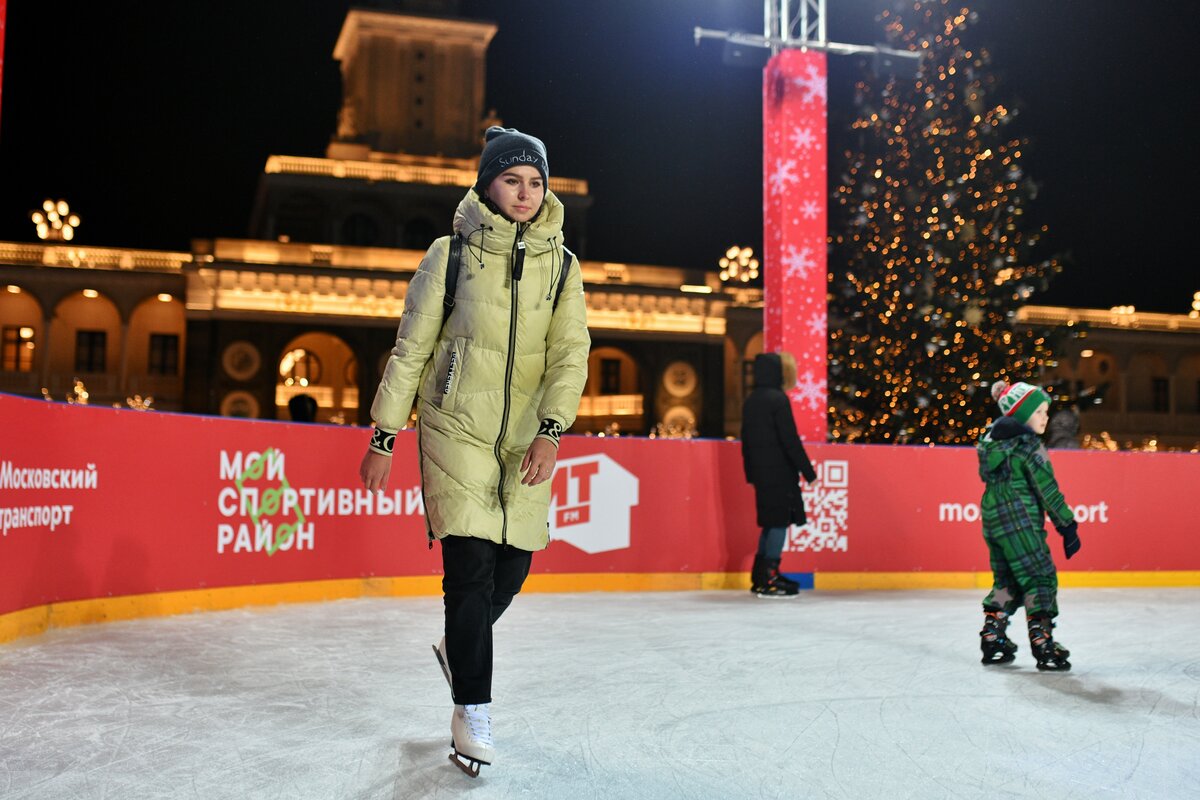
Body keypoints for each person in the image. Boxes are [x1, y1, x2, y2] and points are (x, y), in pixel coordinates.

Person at [358, 126, 590, 776]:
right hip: (455, 427)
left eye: (535, 182)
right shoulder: (449, 254)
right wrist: (384, 433)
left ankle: (458, 648)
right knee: (469, 573)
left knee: (512, 570)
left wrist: (551, 430)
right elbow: (411, 349)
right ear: (488, 184)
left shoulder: (563, 267)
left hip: (522, 440)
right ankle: (473, 712)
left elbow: (572, 355)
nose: (525, 192)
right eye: (512, 180)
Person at [977, 379, 1082, 671]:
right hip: (1020, 518)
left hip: (993, 517)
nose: (1045, 418)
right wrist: (1067, 525)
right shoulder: (1028, 447)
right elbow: (1046, 489)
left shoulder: (990, 445)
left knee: (1007, 580)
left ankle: (992, 635)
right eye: (1039, 412)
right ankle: (1043, 643)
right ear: (1022, 416)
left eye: (1047, 412)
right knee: (1040, 577)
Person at [740, 351, 817, 598]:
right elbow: (789, 440)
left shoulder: (751, 400)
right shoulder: (778, 400)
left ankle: (761, 575)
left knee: (769, 522)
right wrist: (808, 471)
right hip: (780, 472)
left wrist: (750, 473)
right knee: (778, 522)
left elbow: (746, 442)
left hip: (762, 474)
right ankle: (769, 574)